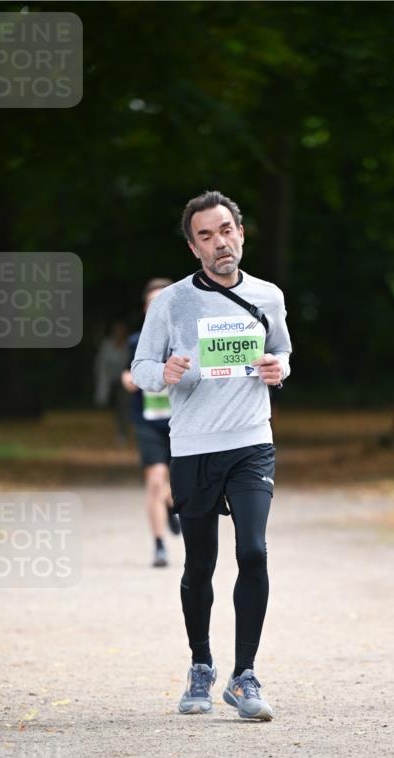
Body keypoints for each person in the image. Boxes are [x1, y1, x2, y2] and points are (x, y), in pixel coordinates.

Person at [132, 190, 292, 721]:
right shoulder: (171, 302)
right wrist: (164, 373)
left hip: (251, 442)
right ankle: (201, 664)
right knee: (200, 564)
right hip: (194, 446)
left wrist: (278, 369)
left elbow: (282, 350)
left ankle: (244, 676)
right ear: (193, 247)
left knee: (254, 552)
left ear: (240, 233)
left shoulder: (268, 295)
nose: (219, 242)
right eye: (206, 235)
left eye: (226, 230)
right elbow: (143, 368)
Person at [122, 278, 181, 568]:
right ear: (145, 309)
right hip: (148, 422)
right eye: (151, 302)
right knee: (156, 481)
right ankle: (159, 546)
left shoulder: (186, 339)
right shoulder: (136, 342)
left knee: (180, 484)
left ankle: (171, 504)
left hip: (182, 423)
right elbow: (127, 374)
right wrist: (131, 379)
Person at [94, 319, 131, 444]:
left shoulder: (128, 345)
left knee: (123, 406)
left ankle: (122, 432)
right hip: (109, 381)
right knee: (112, 406)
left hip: (124, 382)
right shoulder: (107, 345)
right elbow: (101, 364)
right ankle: (113, 431)